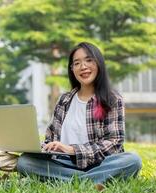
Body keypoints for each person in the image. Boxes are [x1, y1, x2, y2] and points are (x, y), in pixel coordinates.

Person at [17, 42, 142, 184]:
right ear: (72, 69)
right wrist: (42, 147)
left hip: (99, 163)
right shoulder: (64, 100)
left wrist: (72, 149)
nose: (83, 67)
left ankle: (69, 180)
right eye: (77, 63)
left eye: (89, 60)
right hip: (64, 163)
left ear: (99, 63)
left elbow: (114, 144)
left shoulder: (112, 99)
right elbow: (50, 139)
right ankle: (91, 180)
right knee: (24, 161)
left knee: (132, 161)